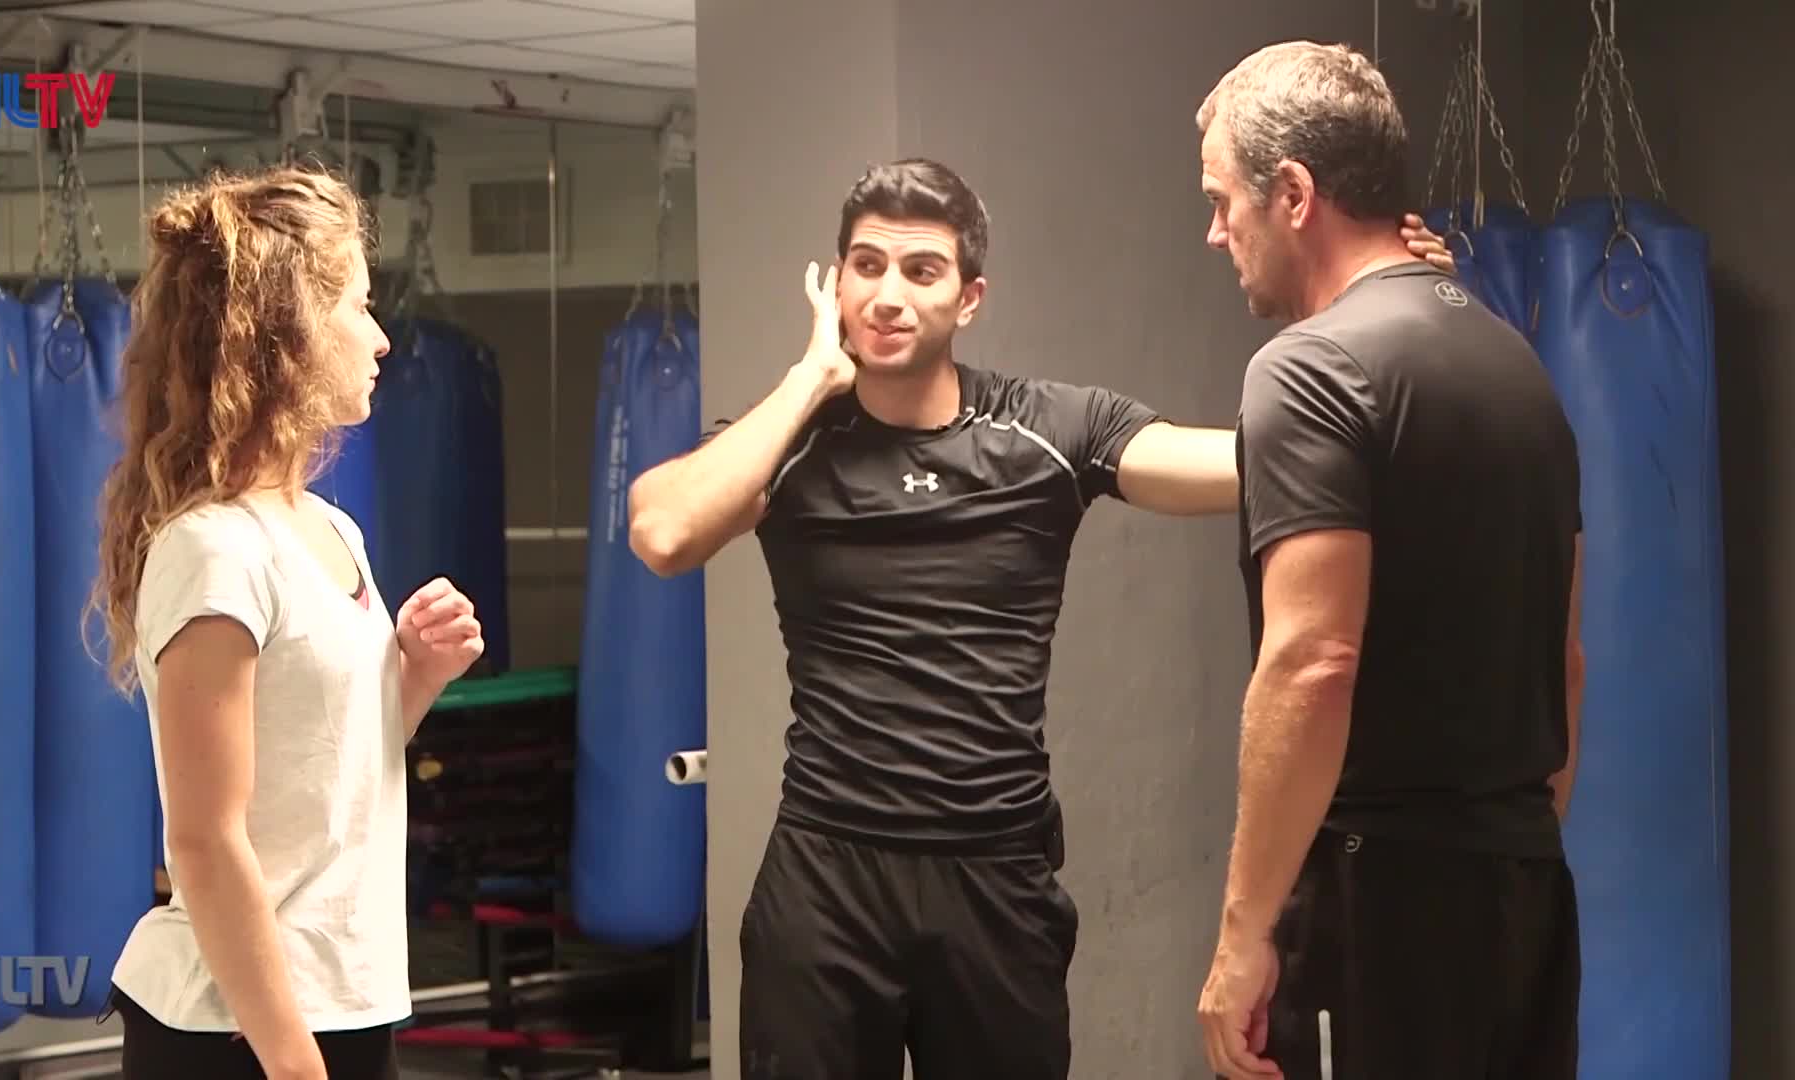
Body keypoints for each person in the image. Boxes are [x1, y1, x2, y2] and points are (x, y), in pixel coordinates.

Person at [627, 157, 1456, 1079]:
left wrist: (1389, 326)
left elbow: (1258, 463)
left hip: (995, 878)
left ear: (969, 299)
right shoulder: (789, 445)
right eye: (866, 266)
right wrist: (809, 379)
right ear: (836, 283)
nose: (888, 295)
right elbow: (663, 532)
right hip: (825, 878)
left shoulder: (1048, 431)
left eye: (921, 271)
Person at [1190, 42, 1585, 1080]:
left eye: (1224, 201)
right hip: (1524, 890)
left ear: (1293, 195)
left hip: (1378, 906)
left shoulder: (1308, 369)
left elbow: (1312, 662)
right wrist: (1503, 851)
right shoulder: (1520, 369)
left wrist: (1243, 936)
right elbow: (1566, 661)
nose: (1217, 232)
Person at [85, 165, 486, 1080]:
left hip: (345, 999)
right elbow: (204, 838)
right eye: (359, 306)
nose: (381, 338)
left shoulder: (331, 529)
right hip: (241, 1028)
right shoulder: (215, 550)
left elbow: (325, 768)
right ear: (288, 329)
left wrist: (417, 674)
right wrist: (292, 1059)